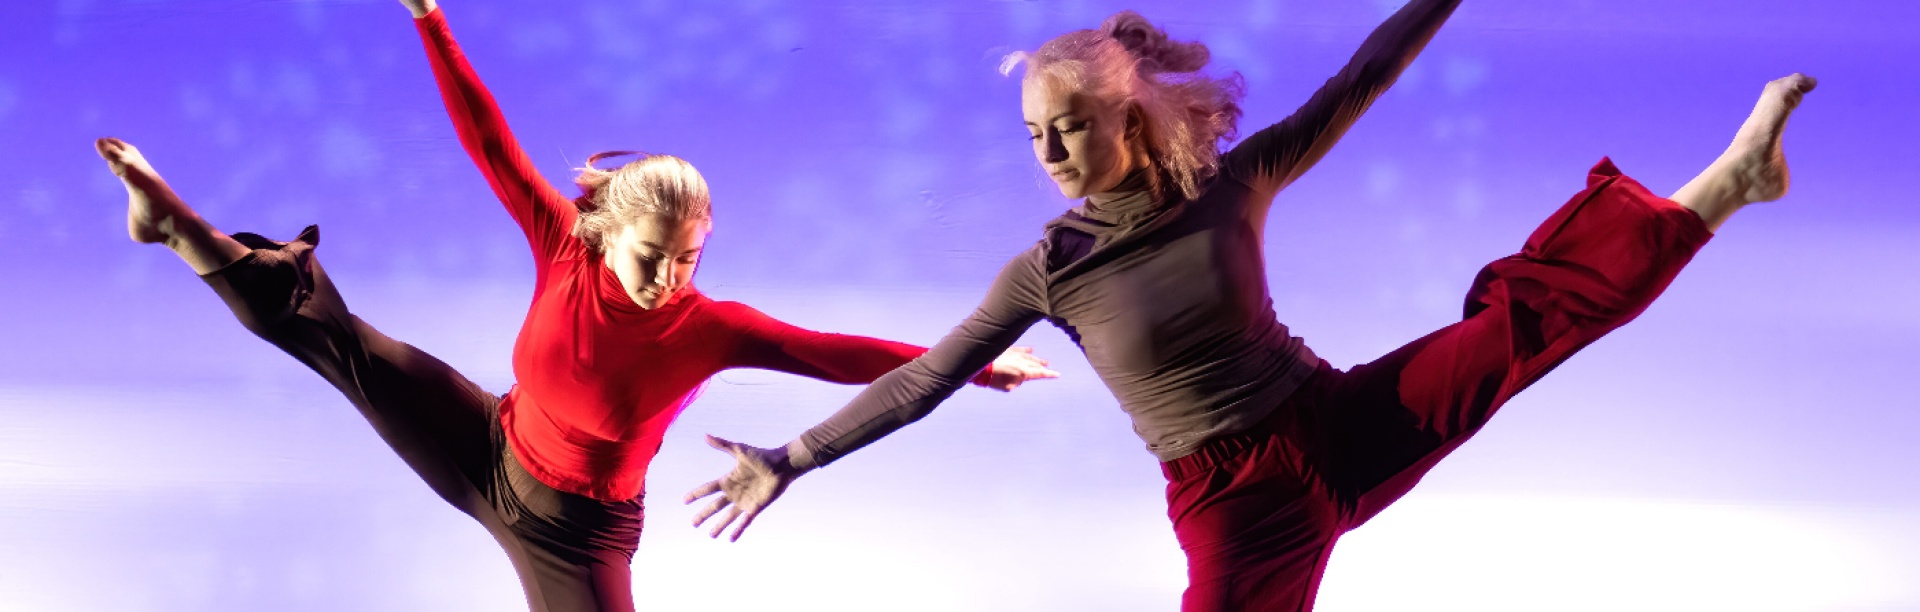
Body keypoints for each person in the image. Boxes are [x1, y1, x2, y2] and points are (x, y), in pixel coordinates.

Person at [685, 0, 1817, 609]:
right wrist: (792, 455)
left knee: (1516, 331)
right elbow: (925, 377)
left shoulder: (1236, 182)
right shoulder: (1047, 270)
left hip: (1339, 421)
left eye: (1068, 126)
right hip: (1233, 503)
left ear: (1130, 117)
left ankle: (1726, 184)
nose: (1050, 152)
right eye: (1033, 136)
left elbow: (1361, 75)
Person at [94, 0, 1059, 609]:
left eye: (690, 259)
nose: (671, 277)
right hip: (486, 439)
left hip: (574, 535)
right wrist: (430, 17)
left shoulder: (707, 327)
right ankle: (182, 231)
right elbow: (489, 141)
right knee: (327, 333)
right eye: (654, 255)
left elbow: (834, 350)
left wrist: (978, 363)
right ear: (607, 231)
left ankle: (183, 237)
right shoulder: (562, 238)